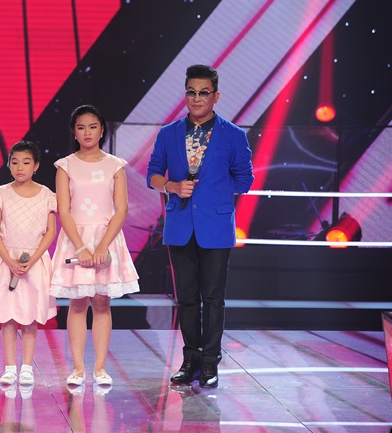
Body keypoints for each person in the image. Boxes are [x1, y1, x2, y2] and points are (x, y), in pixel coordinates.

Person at [146, 64, 254, 388]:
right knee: (187, 299)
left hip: (216, 227)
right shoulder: (168, 134)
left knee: (213, 299)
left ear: (215, 96)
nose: (196, 98)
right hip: (180, 225)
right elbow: (153, 175)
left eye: (203, 93)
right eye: (191, 92)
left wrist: (214, 191)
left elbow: (245, 181)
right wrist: (172, 186)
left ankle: (210, 363)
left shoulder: (233, 135)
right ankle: (190, 360)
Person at [50, 104, 140, 387]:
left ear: (102, 130)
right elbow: (64, 211)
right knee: (77, 304)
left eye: (92, 127)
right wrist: (81, 248)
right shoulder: (65, 166)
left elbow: (121, 209)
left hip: (106, 239)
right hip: (75, 239)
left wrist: (102, 246)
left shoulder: (115, 165)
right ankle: (78, 368)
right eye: (81, 127)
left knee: (102, 303)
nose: (87, 132)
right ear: (74, 132)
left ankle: (100, 367)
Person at [0, 140, 58, 387]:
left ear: (36, 166)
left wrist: (32, 260)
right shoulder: (0, 194)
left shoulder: (47, 195)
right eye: (14, 162)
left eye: (25, 162)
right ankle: (10, 367)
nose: (20, 168)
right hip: (5, 260)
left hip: (35, 261)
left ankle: (27, 368)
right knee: (9, 317)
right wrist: (9, 261)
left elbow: (51, 232)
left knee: (30, 317)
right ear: (9, 165)